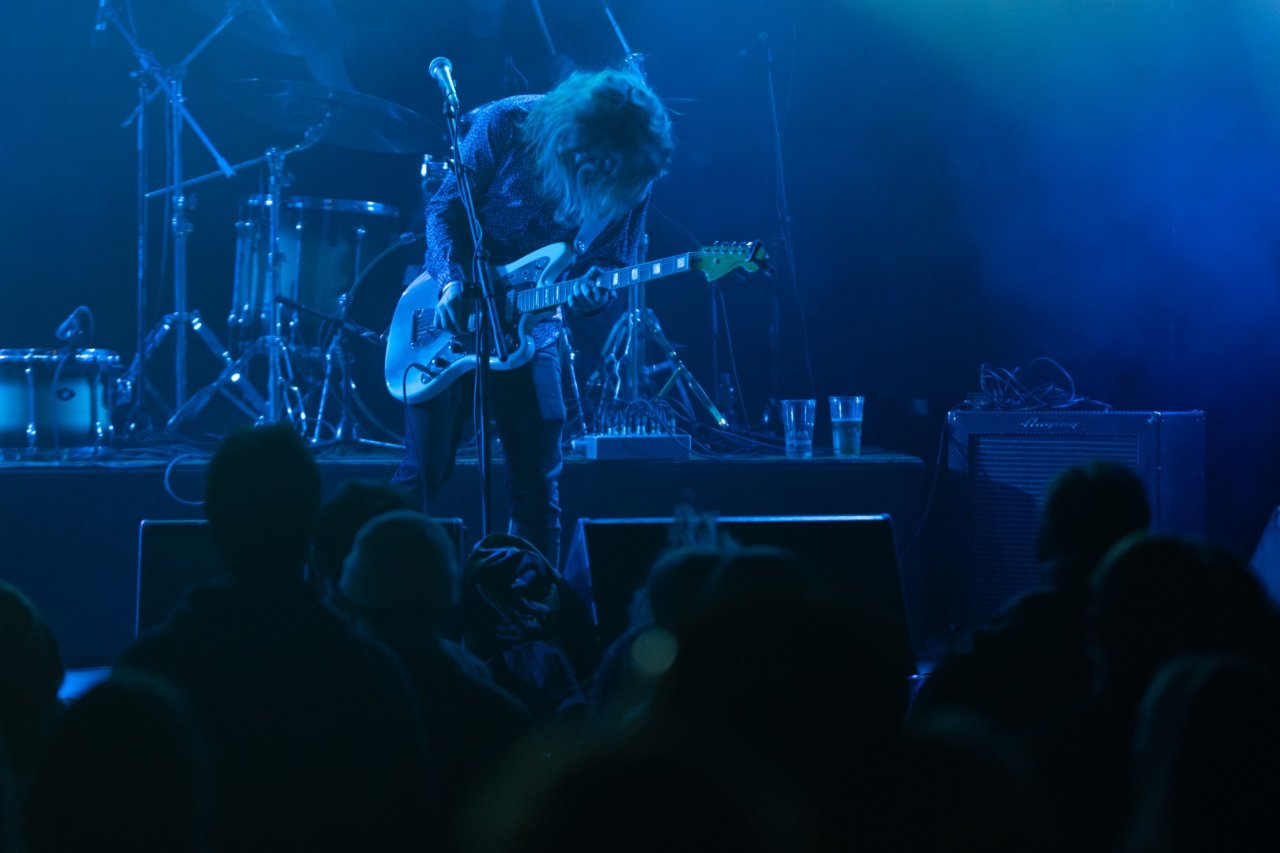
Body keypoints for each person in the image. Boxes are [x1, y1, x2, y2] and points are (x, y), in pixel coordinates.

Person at [392, 68, 675, 567]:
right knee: (422, 473)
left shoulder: (633, 175)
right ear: (573, 129)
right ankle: (381, 584)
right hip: (452, 314)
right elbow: (445, 211)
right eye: (590, 154)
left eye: (609, 163)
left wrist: (592, 294)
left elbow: (610, 261)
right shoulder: (507, 122)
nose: (596, 168)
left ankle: (535, 605)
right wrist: (452, 281)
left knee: (537, 487)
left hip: (534, 330)